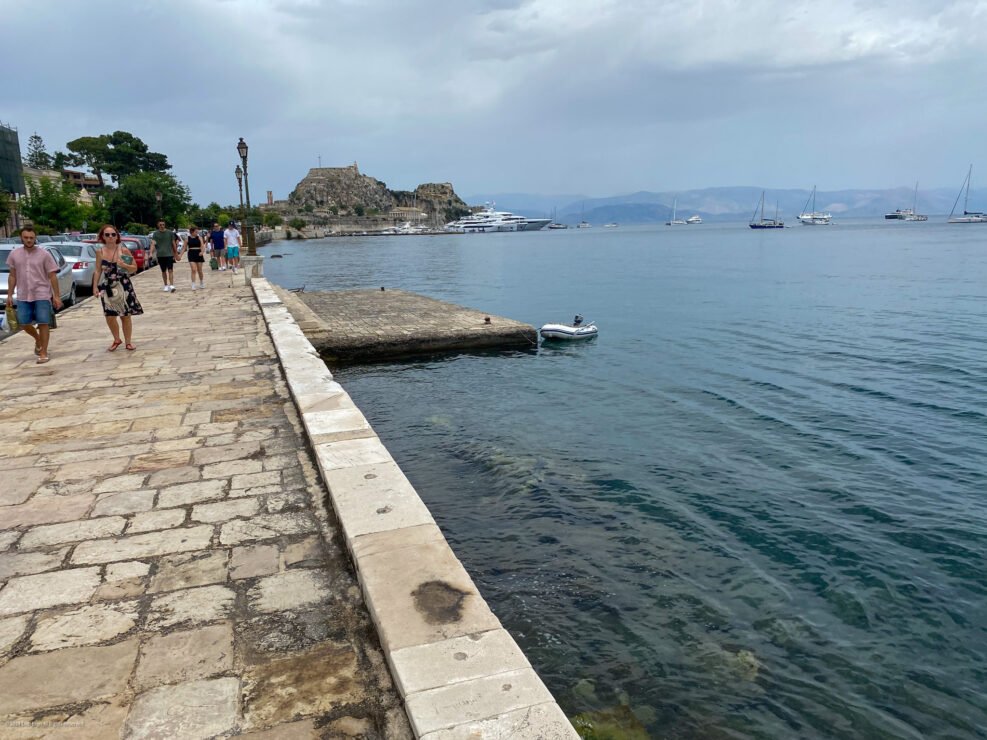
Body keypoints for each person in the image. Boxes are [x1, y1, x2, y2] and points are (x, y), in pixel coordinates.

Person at [4, 226, 63, 364]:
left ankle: (43, 352)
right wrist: (9, 294)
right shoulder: (14, 254)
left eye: (31, 238)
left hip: (41, 293)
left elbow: (52, 276)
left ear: (35, 238)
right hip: (23, 294)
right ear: (21, 238)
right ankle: (37, 339)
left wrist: (57, 296)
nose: (29, 240)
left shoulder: (44, 254)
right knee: (23, 322)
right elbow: (12, 276)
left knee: (43, 322)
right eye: (26, 238)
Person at [93, 224, 143, 351]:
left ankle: (128, 342)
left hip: (123, 284)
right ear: (102, 237)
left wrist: (124, 265)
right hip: (108, 285)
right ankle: (116, 338)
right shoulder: (100, 251)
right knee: (109, 315)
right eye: (107, 235)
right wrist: (95, 287)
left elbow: (135, 268)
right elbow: (98, 270)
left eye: (113, 234)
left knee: (125, 314)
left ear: (117, 236)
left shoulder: (123, 250)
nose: (110, 237)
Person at [150, 219, 180, 292]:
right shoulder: (155, 234)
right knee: (163, 271)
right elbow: (153, 244)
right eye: (160, 225)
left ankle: (172, 285)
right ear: (158, 225)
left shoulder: (170, 233)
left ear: (165, 225)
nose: (162, 226)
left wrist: (176, 254)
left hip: (169, 254)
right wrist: (151, 253)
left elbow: (173, 243)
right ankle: (166, 285)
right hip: (160, 255)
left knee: (170, 270)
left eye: (163, 224)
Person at [185, 225, 206, 290]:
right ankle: (193, 284)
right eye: (196, 232)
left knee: (200, 270)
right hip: (191, 253)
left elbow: (202, 246)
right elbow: (184, 248)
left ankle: (201, 282)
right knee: (193, 269)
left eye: (197, 232)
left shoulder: (199, 238)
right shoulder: (187, 238)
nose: (197, 233)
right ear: (192, 232)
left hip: (198, 253)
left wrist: (202, 252)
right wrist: (179, 255)